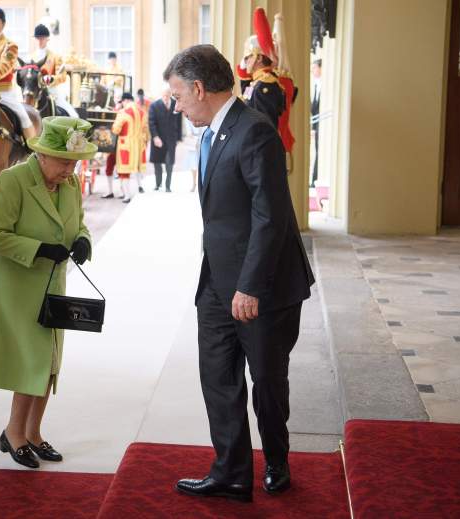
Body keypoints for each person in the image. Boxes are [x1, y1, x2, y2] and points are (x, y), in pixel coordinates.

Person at [164, 45, 314, 502]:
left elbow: (270, 216)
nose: (175, 105)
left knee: (267, 382)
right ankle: (229, 473)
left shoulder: (255, 132)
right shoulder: (211, 134)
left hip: (262, 287)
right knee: (219, 378)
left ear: (198, 87)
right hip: (215, 284)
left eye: (177, 95)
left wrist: (249, 285)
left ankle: (277, 460)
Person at [0, 116, 95, 469]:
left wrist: (83, 240)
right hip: (18, 286)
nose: (70, 169)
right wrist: (41, 249)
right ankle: (13, 433)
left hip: (53, 285)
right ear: (42, 155)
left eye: (74, 162)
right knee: (32, 360)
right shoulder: (13, 180)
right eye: (64, 162)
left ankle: (33, 432)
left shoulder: (70, 184)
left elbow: (80, 222)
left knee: (48, 363)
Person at [0, 6, 38, 140]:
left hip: (3, 93)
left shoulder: (10, 45)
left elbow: (5, 66)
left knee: (23, 115)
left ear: (3, 24)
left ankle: (33, 148)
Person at [238, 9, 286, 130]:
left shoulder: (265, 85)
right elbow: (245, 98)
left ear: (258, 58)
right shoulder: (256, 83)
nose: (245, 62)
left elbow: (265, 126)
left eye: (248, 57)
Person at [32, 24, 79, 118]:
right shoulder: (31, 58)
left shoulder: (55, 56)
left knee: (74, 116)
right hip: (34, 94)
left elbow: (62, 76)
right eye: (37, 38)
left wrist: (51, 79)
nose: (39, 41)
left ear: (47, 39)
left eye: (42, 38)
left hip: (51, 93)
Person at [112, 92, 149, 202]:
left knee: (124, 171)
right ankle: (138, 186)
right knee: (136, 168)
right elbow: (146, 130)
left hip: (125, 145)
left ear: (125, 101)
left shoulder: (123, 112)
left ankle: (127, 195)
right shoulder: (142, 112)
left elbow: (116, 129)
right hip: (138, 145)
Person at [148, 86, 182, 192]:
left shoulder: (176, 105)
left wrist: (178, 138)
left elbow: (179, 122)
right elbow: (151, 122)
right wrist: (155, 137)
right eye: (164, 96)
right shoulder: (154, 106)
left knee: (169, 163)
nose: (166, 98)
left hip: (171, 139)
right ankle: (158, 184)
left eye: (168, 96)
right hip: (158, 139)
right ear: (161, 95)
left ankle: (168, 186)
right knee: (157, 163)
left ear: (170, 95)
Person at [310, 59, 321, 187]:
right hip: (316, 124)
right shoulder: (316, 84)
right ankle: (314, 179)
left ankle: (315, 179)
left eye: (314, 68)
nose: (312, 71)